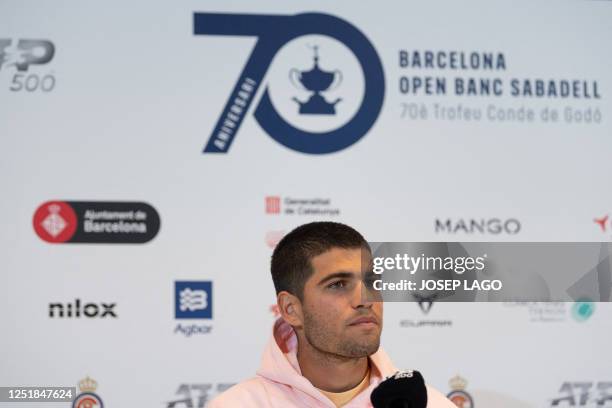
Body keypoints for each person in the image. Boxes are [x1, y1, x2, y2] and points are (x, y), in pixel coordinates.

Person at [209, 222, 454, 407]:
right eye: (337, 284)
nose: (365, 300)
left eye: (371, 282)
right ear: (290, 309)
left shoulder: (430, 405)